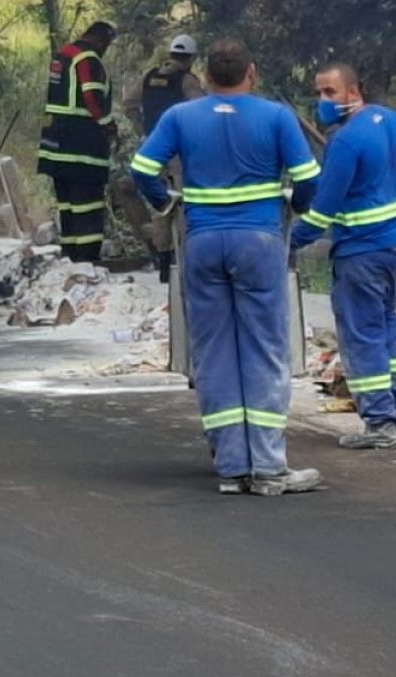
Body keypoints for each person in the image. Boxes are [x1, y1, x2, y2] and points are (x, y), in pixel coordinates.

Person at [131, 39, 324, 496]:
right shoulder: (276, 116)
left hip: (202, 242)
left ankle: (232, 466)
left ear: (208, 78)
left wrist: (164, 203)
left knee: (214, 351)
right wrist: (295, 206)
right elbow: (310, 178)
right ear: (251, 73)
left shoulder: (181, 117)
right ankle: (269, 467)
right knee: (264, 348)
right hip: (258, 241)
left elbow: (141, 168)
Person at [290, 61, 396, 449]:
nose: (322, 100)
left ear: (353, 91)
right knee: (387, 324)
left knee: (362, 335)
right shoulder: (394, 121)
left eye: (330, 92)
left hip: (361, 253)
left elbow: (323, 210)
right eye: (318, 93)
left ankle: (380, 423)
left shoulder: (345, 141)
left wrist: (289, 241)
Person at [114, 34, 207, 278]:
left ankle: (160, 256)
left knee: (156, 201)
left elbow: (128, 104)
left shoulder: (149, 77)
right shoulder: (187, 81)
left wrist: (142, 129)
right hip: (178, 151)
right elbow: (203, 111)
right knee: (177, 201)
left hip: (152, 149)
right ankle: (175, 259)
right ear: (190, 59)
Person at [38, 21, 118, 262]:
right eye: (107, 45)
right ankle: (87, 259)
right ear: (101, 40)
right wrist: (109, 127)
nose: (105, 50)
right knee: (88, 206)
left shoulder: (62, 56)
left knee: (68, 206)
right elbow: (92, 97)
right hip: (81, 149)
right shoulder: (88, 60)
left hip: (55, 148)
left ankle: (70, 257)